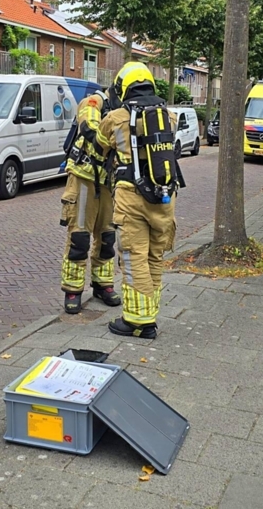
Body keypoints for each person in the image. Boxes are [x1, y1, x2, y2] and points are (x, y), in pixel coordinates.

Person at [96, 63, 180, 340]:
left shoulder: (117, 118)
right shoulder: (169, 116)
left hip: (132, 196)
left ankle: (137, 322)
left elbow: (100, 143)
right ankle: (149, 314)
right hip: (164, 196)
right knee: (155, 257)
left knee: (134, 258)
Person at [60, 85, 121, 314]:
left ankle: (102, 284)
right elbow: (89, 128)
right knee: (80, 237)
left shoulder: (125, 111)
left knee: (107, 237)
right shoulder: (94, 102)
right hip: (84, 178)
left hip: (109, 183)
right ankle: (73, 290)